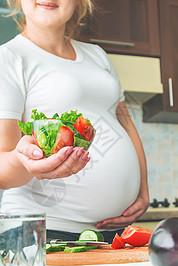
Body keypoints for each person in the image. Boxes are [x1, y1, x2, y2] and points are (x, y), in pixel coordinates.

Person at [0, 0, 149, 243]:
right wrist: (24, 161)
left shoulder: (97, 55)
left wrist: (143, 192)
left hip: (114, 233)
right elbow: (2, 168)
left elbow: (125, 124)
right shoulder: (8, 58)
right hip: (45, 231)